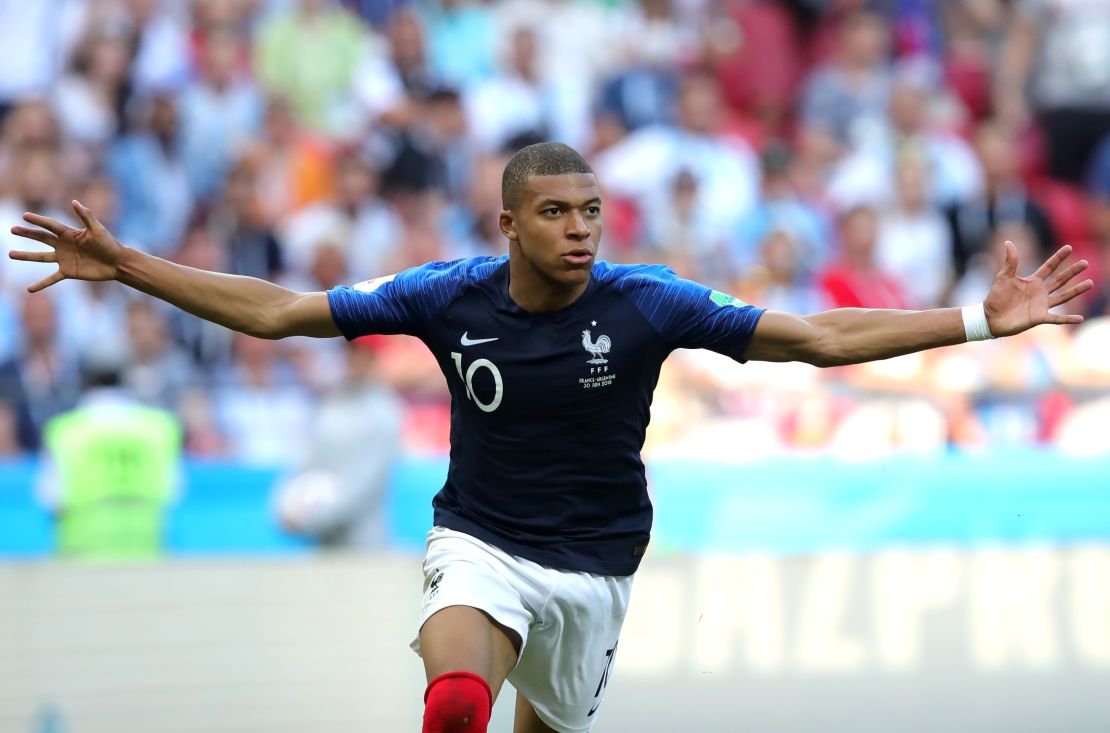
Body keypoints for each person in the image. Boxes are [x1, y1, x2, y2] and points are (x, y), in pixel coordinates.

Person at [7, 142, 1092, 733]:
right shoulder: (445, 295)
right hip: (479, 537)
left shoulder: (648, 302)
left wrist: (970, 322)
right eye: (559, 213)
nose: (581, 230)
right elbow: (283, 310)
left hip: (597, 564)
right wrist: (136, 265)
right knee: (456, 697)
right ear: (509, 225)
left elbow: (810, 334)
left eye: (591, 212)